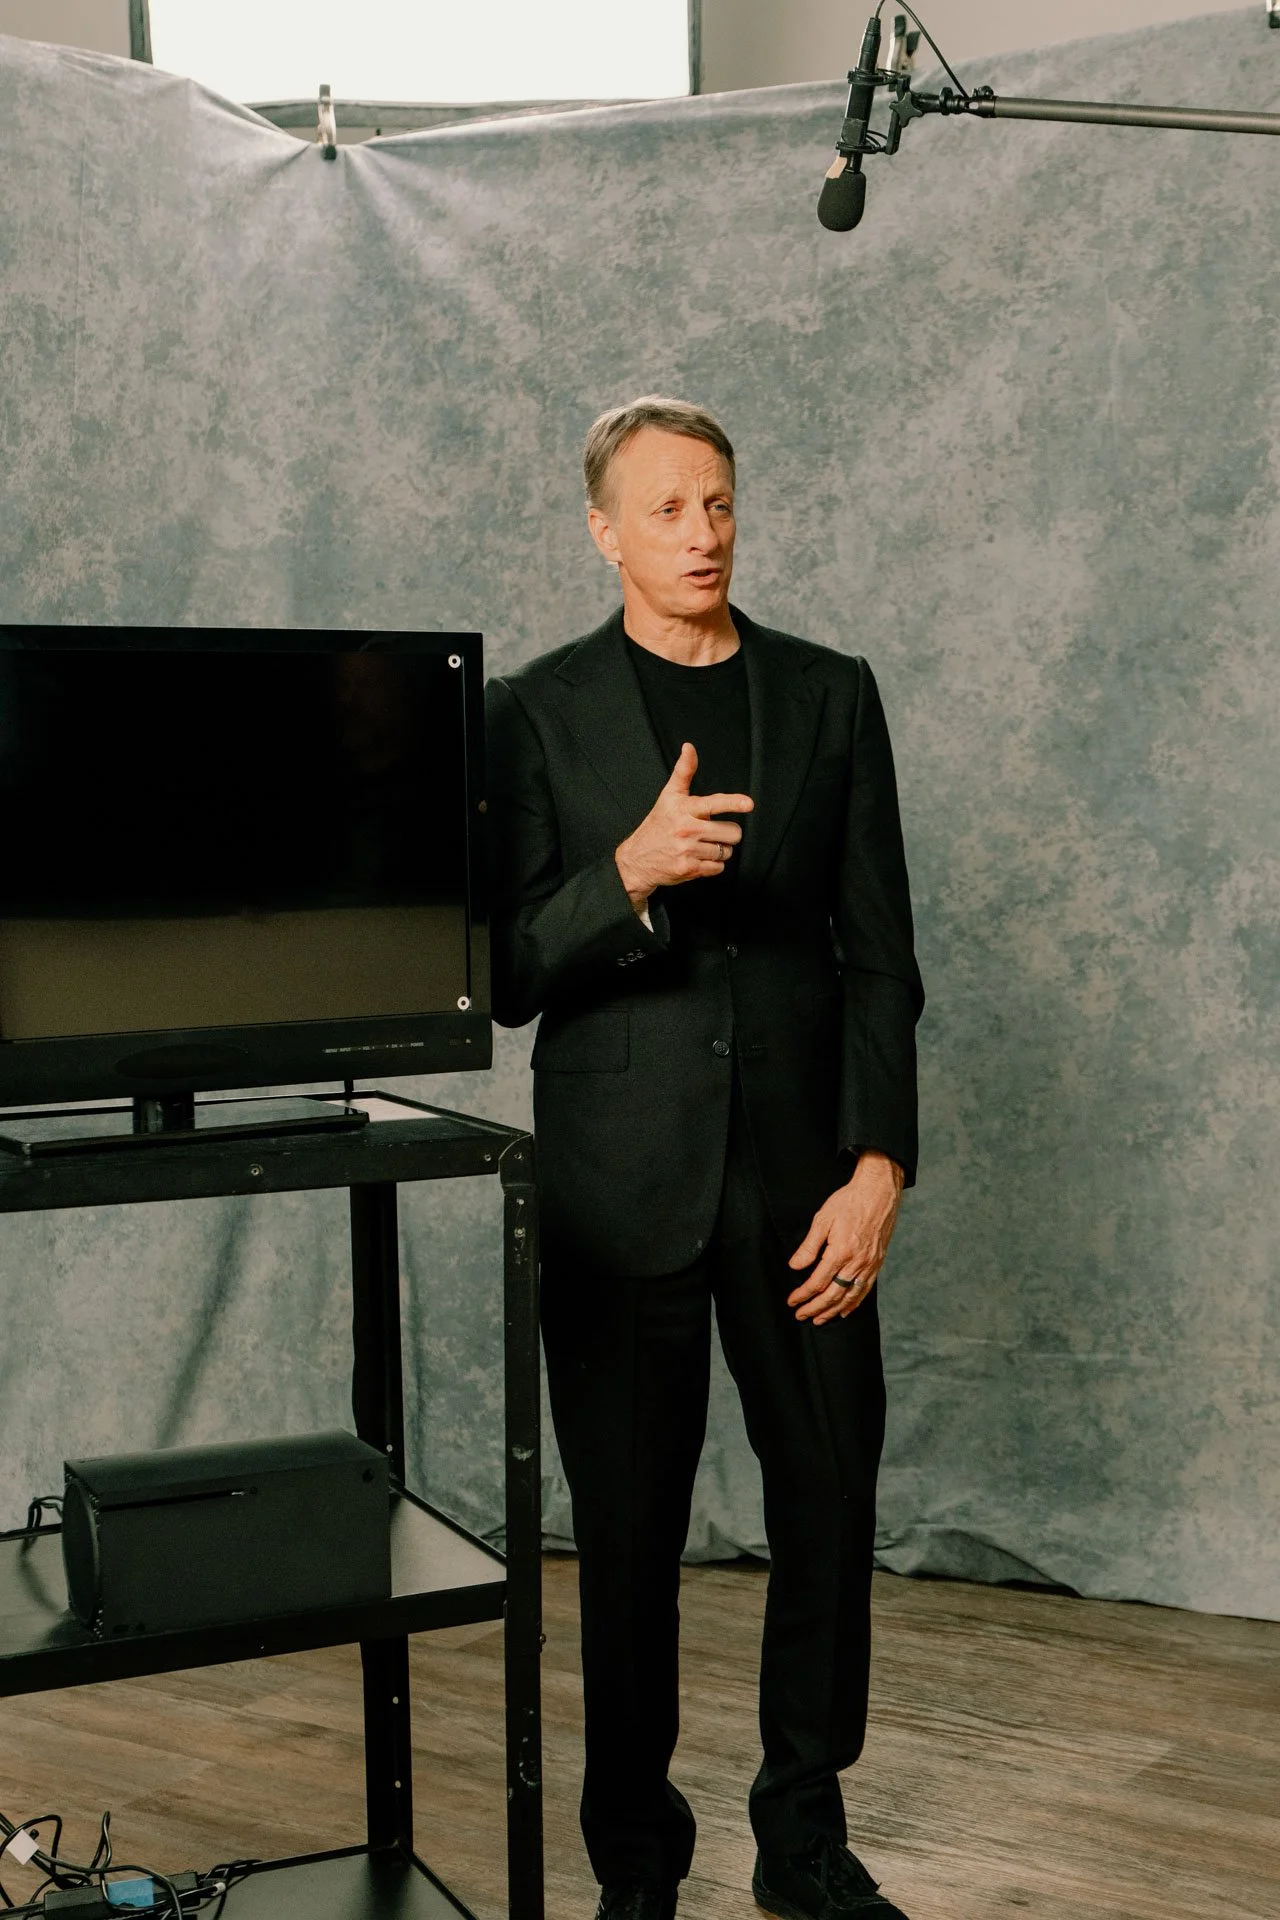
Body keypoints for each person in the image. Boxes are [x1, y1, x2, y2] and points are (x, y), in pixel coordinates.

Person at [485, 396, 923, 1920]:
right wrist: (626, 873)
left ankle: (803, 1841)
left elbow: (882, 958)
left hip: (810, 1190)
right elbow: (499, 970)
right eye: (667, 508)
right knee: (625, 1552)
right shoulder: (533, 713)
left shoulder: (830, 694)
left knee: (827, 1508)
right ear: (603, 530)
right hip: (619, 1198)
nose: (703, 532)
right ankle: (637, 1870)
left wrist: (880, 1170)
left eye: (721, 501)